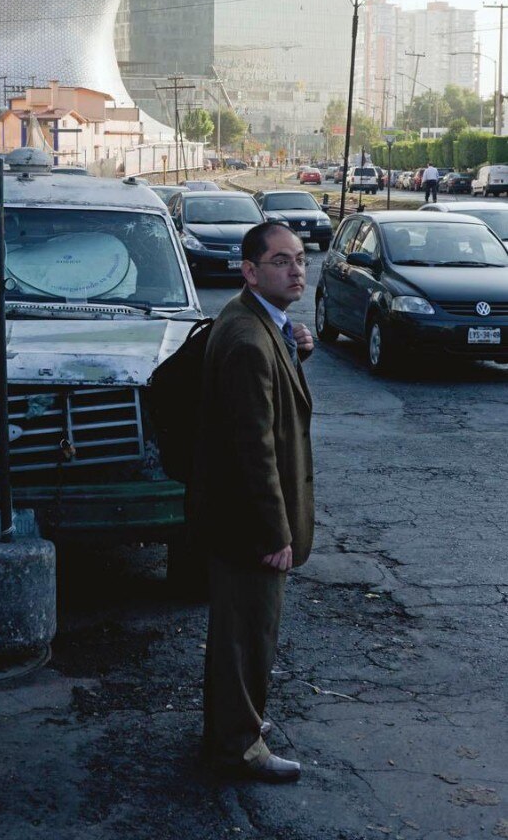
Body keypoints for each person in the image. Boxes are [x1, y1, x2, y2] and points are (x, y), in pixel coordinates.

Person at [191, 221, 314, 783]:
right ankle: (238, 747)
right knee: (247, 637)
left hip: (236, 517)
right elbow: (253, 448)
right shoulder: (247, 340)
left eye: (301, 259)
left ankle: (232, 730)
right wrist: (274, 532)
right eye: (281, 261)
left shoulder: (260, 324)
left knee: (239, 634)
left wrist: (292, 350)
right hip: (247, 523)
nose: (297, 271)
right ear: (250, 271)